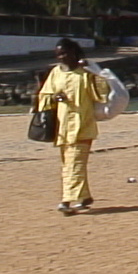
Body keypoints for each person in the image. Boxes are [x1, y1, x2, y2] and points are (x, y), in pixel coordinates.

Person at [36, 37, 109, 215]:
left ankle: (66, 201)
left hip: (82, 125)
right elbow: (45, 95)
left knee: (75, 163)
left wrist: (94, 73)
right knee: (68, 164)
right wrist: (54, 98)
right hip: (62, 127)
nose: (61, 57)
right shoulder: (56, 73)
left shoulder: (85, 73)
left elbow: (102, 94)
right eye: (58, 55)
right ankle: (83, 197)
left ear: (74, 53)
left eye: (64, 53)